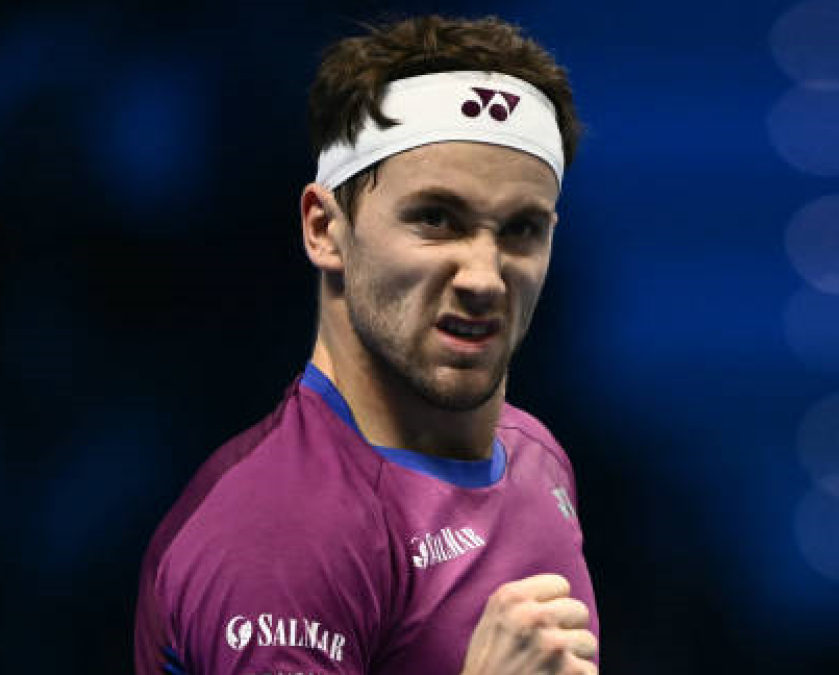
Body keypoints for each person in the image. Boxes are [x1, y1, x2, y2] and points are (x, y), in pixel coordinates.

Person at [134, 15, 598, 675]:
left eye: (522, 228)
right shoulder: (273, 529)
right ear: (325, 229)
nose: (484, 277)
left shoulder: (538, 459)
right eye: (436, 218)